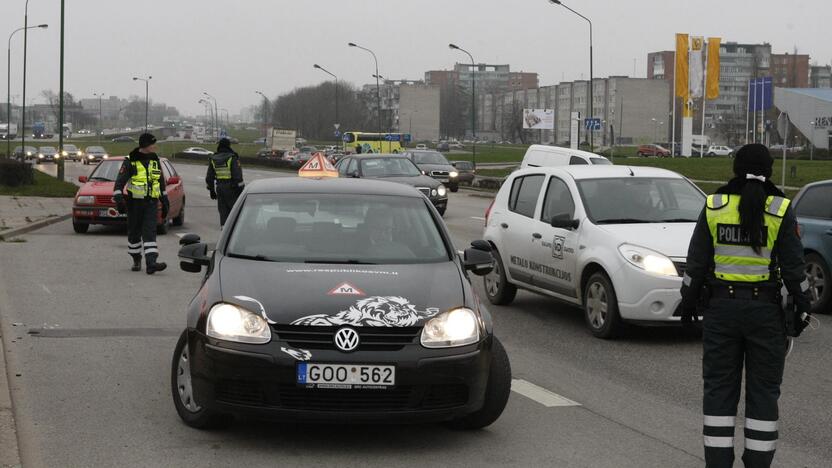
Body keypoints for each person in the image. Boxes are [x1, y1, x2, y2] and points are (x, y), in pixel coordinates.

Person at [680, 144, 812, 468]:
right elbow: (795, 269)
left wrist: (686, 302)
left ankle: (718, 462)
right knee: (764, 393)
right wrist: (804, 305)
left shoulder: (714, 206)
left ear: (736, 169)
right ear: (768, 170)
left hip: (720, 313)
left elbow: (695, 264)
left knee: (718, 391)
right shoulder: (780, 210)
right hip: (765, 315)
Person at [113, 133, 169, 274]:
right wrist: (119, 200)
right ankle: (136, 259)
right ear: (145, 145)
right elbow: (119, 183)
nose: (154, 146)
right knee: (134, 234)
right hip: (135, 203)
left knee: (150, 233)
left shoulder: (155, 160)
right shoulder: (130, 161)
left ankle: (151, 263)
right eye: (152, 144)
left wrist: (164, 200)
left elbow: (160, 182)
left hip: (151, 202)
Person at [206, 137, 244, 226]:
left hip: (220, 189)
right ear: (228, 146)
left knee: (223, 213)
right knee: (235, 213)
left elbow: (209, 177)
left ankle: (224, 232)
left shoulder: (213, 159)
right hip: (232, 189)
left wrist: (212, 191)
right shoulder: (232, 158)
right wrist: (240, 191)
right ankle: (234, 234)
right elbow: (238, 177)